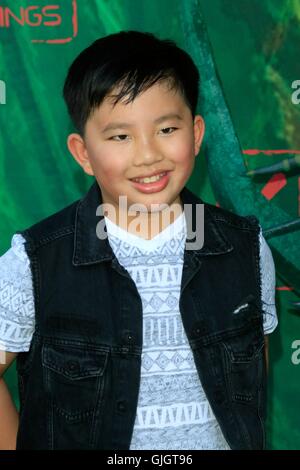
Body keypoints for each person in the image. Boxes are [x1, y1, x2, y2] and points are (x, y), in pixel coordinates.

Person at [0, 30, 277, 450]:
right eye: (120, 137)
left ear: (197, 133)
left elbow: (254, 380)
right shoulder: (37, 260)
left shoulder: (246, 249)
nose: (148, 155)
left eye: (167, 128)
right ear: (82, 153)